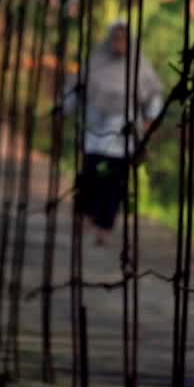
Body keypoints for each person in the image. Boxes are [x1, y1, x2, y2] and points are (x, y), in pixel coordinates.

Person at [63, 20, 165, 247]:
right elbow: (75, 88)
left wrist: (150, 120)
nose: (120, 43)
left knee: (114, 183)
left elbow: (154, 96)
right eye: (116, 37)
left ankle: (105, 226)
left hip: (122, 134)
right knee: (90, 175)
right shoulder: (96, 62)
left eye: (124, 38)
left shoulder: (141, 67)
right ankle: (86, 214)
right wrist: (64, 108)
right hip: (94, 131)